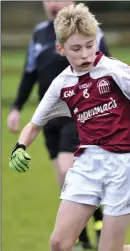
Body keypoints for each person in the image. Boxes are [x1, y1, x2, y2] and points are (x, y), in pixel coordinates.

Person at [8, 3, 130, 251]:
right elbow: (35, 123)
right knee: (59, 243)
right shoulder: (62, 84)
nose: (86, 54)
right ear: (61, 49)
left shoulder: (116, 70)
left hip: (125, 165)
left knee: (109, 250)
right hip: (87, 164)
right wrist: (20, 146)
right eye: (76, 49)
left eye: (90, 45)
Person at [6, 1, 109, 248]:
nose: (54, 4)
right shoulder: (39, 34)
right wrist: (16, 107)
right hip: (48, 118)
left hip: (78, 114)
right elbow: (29, 72)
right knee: (63, 180)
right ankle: (89, 227)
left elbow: (107, 69)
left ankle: (89, 224)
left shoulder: (90, 30)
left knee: (67, 170)